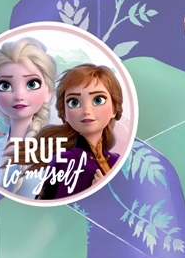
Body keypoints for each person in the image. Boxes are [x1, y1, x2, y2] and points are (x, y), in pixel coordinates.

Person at [0, 38, 56, 198]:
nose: (19, 95)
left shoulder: (58, 151)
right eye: (5, 85)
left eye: (32, 84)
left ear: (48, 92)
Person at [34, 64, 124, 200]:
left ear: (114, 109)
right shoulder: (65, 161)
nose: (86, 110)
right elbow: (50, 208)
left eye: (98, 100)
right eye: (74, 102)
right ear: (64, 113)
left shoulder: (117, 161)